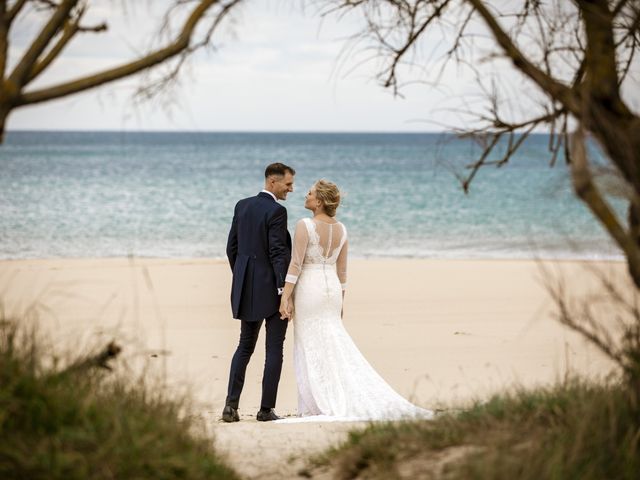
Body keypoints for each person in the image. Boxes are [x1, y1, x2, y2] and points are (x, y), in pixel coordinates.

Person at [279, 180, 433, 421]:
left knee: (310, 344)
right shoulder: (342, 229)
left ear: (319, 201)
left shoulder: (304, 225)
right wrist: (341, 301)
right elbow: (342, 272)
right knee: (331, 342)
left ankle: (317, 402)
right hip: (331, 292)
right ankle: (327, 397)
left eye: (309, 193)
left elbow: (296, 264)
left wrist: (285, 297)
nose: (305, 196)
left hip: (310, 290)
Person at [222, 163, 295, 423]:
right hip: (272, 291)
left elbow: (232, 248)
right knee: (274, 348)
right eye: (288, 184)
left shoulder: (242, 205)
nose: (291, 189)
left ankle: (230, 407)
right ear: (272, 182)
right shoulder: (277, 211)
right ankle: (266, 410)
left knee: (244, 346)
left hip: (245, 288)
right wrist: (282, 291)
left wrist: (242, 276)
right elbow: (278, 253)